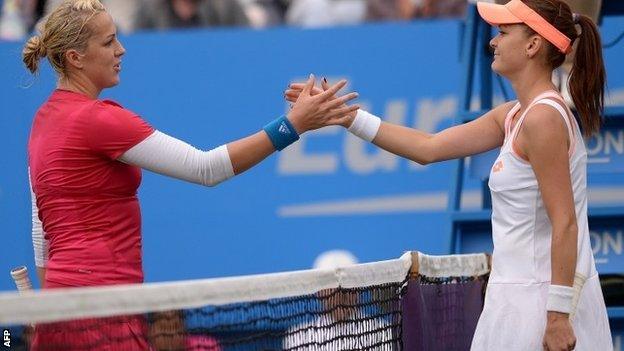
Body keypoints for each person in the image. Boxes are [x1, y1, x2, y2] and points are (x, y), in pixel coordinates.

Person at [23, 0, 358, 349]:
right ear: (75, 58)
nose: (121, 49)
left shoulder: (43, 120)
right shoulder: (99, 120)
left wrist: (48, 304)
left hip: (60, 303)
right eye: (108, 42)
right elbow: (206, 168)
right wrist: (293, 125)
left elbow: (39, 228)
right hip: (102, 307)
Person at [285, 0, 612, 349]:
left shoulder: (542, 118)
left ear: (533, 45)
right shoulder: (515, 114)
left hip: (542, 304)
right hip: (519, 298)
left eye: (503, 32)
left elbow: (565, 223)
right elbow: (429, 147)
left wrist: (558, 316)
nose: (492, 41)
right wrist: (348, 118)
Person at [282, 250, 396, 350]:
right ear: (319, 291)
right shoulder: (296, 338)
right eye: (332, 285)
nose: (340, 293)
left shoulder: (385, 333)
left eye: (347, 283)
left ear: (359, 289)